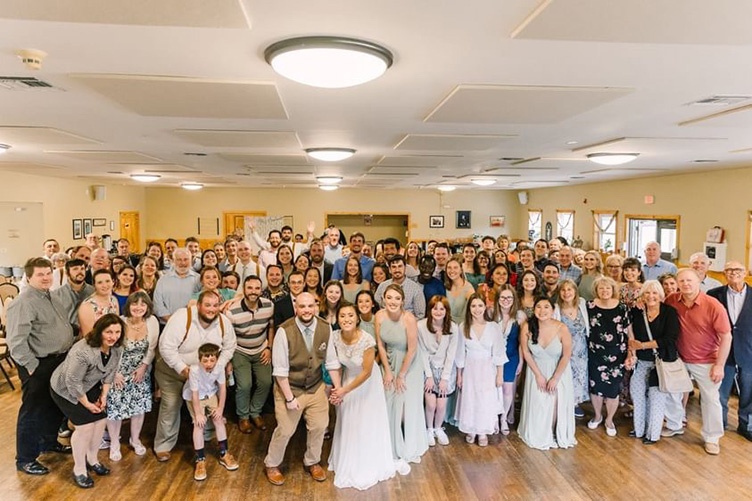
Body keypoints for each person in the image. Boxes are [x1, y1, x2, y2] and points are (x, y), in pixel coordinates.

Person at [7, 257, 75, 476]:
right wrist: (32, 366)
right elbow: (16, 341)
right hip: (38, 364)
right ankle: (25, 458)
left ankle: (48, 443)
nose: (46, 278)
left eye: (48, 273)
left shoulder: (52, 296)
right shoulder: (24, 301)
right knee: (33, 411)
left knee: (54, 406)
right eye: (40, 274)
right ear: (28, 277)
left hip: (59, 360)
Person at [153, 290, 237, 462]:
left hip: (204, 375)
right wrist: (183, 369)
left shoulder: (223, 322)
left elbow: (230, 347)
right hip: (173, 371)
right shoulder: (182, 317)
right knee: (171, 403)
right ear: (198, 305)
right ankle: (164, 446)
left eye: (215, 305)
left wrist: (217, 368)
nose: (211, 309)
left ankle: (205, 437)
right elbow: (166, 347)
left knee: (208, 405)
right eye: (207, 305)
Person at [264, 292, 337, 486]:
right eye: (302, 306)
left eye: (310, 306)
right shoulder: (283, 331)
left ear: (316, 306)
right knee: (286, 430)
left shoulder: (325, 327)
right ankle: (272, 463)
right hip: (290, 388)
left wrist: (337, 388)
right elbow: (279, 371)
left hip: (315, 386)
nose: (306, 310)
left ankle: (312, 461)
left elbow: (331, 362)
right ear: (296, 308)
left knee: (320, 426)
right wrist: (289, 398)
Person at [327, 302, 397, 490]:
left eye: (350, 315)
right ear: (337, 319)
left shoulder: (367, 340)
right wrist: (337, 388)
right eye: (342, 316)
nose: (346, 319)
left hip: (367, 383)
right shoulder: (333, 337)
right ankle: (347, 458)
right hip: (347, 379)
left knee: (365, 421)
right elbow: (333, 365)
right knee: (348, 419)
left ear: (357, 318)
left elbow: (366, 372)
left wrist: (344, 390)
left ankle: (367, 461)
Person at [50, 314, 124, 488]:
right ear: (99, 332)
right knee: (85, 427)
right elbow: (72, 382)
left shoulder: (117, 348)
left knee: (100, 420)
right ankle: (80, 469)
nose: (113, 336)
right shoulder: (83, 351)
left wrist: (103, 396)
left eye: (117, 332)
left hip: (89, 384)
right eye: (109, 332)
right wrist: (87, 404)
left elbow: (110, 373)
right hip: (65, 389)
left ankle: (92, 459)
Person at [663, 268, 731, 455]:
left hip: (707, 360)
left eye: (689, 280)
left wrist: (719, 365)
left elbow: (726, 336)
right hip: (679, 358)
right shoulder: (671, 300)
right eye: (682, 281)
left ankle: (712, 437)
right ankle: (675, 424)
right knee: (672, 393)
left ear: (699, 281)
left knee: (710, 399)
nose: (686, 284)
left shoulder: (713, 305)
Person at [375, 284, 427, 470]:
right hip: (389, 360)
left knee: (406, 404)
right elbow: (380, 345)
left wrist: (401, 375)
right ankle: (390, 444)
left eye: (397, 298)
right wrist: (388, 371)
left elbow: (412, 349)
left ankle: (409, 444)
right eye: (389, 297)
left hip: (409, 363)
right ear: (383, 299)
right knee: (389, 401)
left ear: (403, 301)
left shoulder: (409, 318)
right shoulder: (379, 316)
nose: (393, 301)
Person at [104, 291, 158, 461]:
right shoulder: (119, 321)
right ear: (129, 305)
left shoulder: (152, 322)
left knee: (138, 408)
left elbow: (152, 348)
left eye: (143, 304)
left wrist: (143, 367)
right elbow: (110, 348)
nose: (139, 307)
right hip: (117, 371)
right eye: (135, 303)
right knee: (115, 409)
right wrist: (115, 373)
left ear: (148, 307)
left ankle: (135, 439)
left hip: (139, 372)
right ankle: (114, 443)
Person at [518, 296, 576, 450]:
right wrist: (538, 375)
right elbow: (525, 351)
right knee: (540, 403)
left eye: (546, 307)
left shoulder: (561, 328)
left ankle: (555, 432)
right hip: (536, 368)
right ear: (534, 309)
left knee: (556, 400)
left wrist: (555, 378)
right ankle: (542, 433)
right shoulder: (527, 326)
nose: (542, 311)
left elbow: (566, 355)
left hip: (559, 370)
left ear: (552, 310)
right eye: (538, 307)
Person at [627, 280, 680, 445]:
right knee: (637, 396)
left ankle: (652, 434)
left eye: (655, 293)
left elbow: (669, 339)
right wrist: (633, 351)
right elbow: (629, 332)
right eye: (647, 293)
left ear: (661, 295)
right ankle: (639, 429)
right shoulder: (637, 312)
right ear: (642, 295)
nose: (651, 296)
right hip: (641, 362)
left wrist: (643, 345)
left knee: (657, 400)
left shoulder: (669, 312)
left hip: (661, 362)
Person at [224, 275, 275, 434]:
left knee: (266, 382)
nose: (253, 291)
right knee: (245, 385)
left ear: (261, 290)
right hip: (240, 351)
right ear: (244, 290)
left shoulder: (269, 306)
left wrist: (269, 348)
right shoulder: (231, 311)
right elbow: (227, 338)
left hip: (261, 349)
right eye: (250, 288)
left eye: (257, 288)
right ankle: (244, 417)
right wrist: (229, 360)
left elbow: (271, 327)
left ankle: (255, 412)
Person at [455, 294, 506, 446]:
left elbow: (498, 352)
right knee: (471, 398)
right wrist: (459, 375)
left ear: (485, 307)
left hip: (487, 368)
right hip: (470, 368)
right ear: (469, 308)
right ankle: (471, 428)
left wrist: (499, 375)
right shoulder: (463, 326)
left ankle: (483, 430)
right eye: (473, 306)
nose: (477, 309)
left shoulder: (493, 327)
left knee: (485, 399)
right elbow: (460, 353)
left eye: (480, 306)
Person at [183, 343, 239, 481]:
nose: (209, 364)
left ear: (217, 359)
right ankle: (200, 459)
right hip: (195, 397)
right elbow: (194, 395)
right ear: (199, 359)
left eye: (212, 360)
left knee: (218, 420)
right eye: (205, 360)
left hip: (210, 394)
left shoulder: (219, 368)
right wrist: (198, 414)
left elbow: (223, 389)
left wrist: (220, 408)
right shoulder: (194, 371)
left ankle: (224, 453)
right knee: (198, 425)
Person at [709, 261, 752, 439]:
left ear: (746, 273)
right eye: (729, 270)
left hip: (748, 351)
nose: (733, 273)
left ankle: (746, 426)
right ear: (724, 273)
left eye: (738, 270)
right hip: (722, 352)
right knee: (720, 392)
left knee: (749, 393)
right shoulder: (714, 295)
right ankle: (720, 425)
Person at [587, 276, 632, 436]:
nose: (604, 291)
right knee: (596, 386)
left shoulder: (622, 307)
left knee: (613, 389)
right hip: (595, 353)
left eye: (607, 288)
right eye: (601, 288)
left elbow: (629, 332)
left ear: (613, 290)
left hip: (617, 353)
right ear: (596, 290)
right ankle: (598, 416)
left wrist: (630, 353)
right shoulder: (589, 306)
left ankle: (609, 420)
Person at [417, 296, 459, 446]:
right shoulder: (421, 326)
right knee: (431, 404)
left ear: (447, 311)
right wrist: (428, 376)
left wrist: (444, 378)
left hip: (445, 371)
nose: (438, 311)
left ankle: (438, 429)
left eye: (442, 308)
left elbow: (451, 354)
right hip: (428, 369)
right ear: (430, 310)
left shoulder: (453, 328)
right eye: (435, 308)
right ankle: (429, 429)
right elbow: (422, 352)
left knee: (441, 405)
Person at [491, 285, 525, 433]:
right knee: (493, 388)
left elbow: (522, 341)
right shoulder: (491, 314)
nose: (506, 300)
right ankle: (493, 418)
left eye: (509, 298)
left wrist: (521, 361)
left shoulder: (520, 316)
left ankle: (503, 418)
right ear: (498, 299)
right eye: (503, 297)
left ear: (514, 299)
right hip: (492, 357)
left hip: (512, 356)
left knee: (507, 389)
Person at [554, 280, 590, 419]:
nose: (566, 293)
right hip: (564, 348)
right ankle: (563, 402)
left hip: (581, 348)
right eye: (563, 290)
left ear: (575, 291)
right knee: (565, 374)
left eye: (569, 289)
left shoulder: (582, 304)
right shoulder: (556, 308)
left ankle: (575, 403)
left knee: (579, 375)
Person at [153, 248, 200, 325]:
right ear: (173, 261)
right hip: (167, 324)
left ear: (191, 261)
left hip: (192, 325)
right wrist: (173, 321)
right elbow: (158, 304)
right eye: (179, 259)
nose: (183, 263)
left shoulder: (198, 279)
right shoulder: (163, 280)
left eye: (186, 259)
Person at [78, 269, 119, 337]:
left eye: (107, 281)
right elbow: (88, 336)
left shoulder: (114, 300)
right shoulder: (87, 306)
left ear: (113, 282)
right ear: (94, 285)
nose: (104, 285)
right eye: (100, 282)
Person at [444, 257, 475, 322]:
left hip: (463, 326)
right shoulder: (445, 286)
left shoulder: (469, 289)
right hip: (447, 325)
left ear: (461, 270)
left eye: (455, 267)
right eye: (449, 267)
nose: (452, 270)